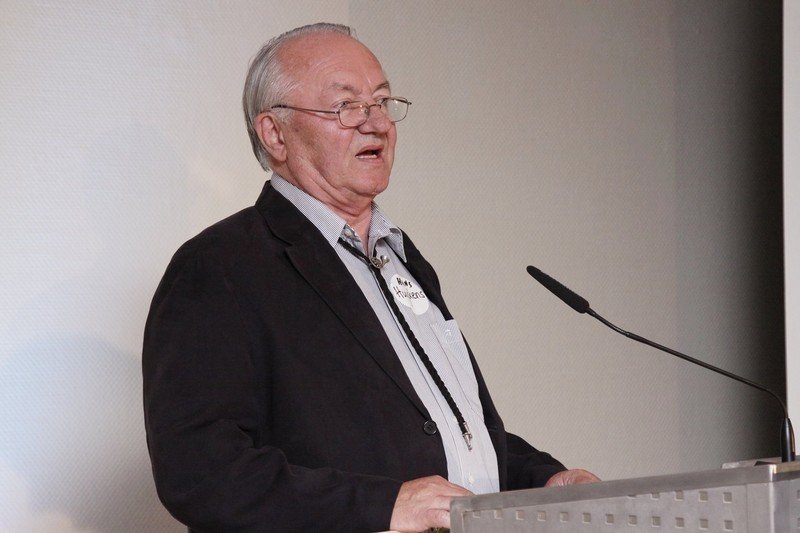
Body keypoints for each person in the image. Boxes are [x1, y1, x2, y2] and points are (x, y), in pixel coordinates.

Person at [143, 22, 598, 533]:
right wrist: (383, 506)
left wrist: (543, 479)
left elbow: (445, 431)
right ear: (275, 134)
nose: (376, 123)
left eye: (381, 102)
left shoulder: (403, 260)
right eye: (346, 106)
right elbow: (199, 472)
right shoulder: (221, 266)